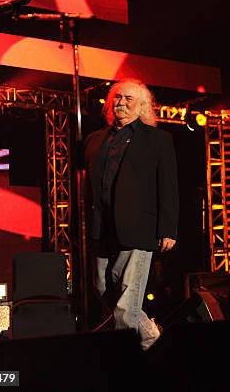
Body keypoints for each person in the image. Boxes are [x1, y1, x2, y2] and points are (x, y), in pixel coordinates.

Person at [84, 79, 178, 350]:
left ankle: (125, 358)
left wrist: (168, 228)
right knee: (103, 289)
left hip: (139, 227)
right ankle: (149, 333)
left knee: (127, 301)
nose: (121, 103)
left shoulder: (158, 140)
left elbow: (168, 186)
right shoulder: (95, 139)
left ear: (142, 106)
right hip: (103, 226)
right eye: (117, 98)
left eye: (128, 99)